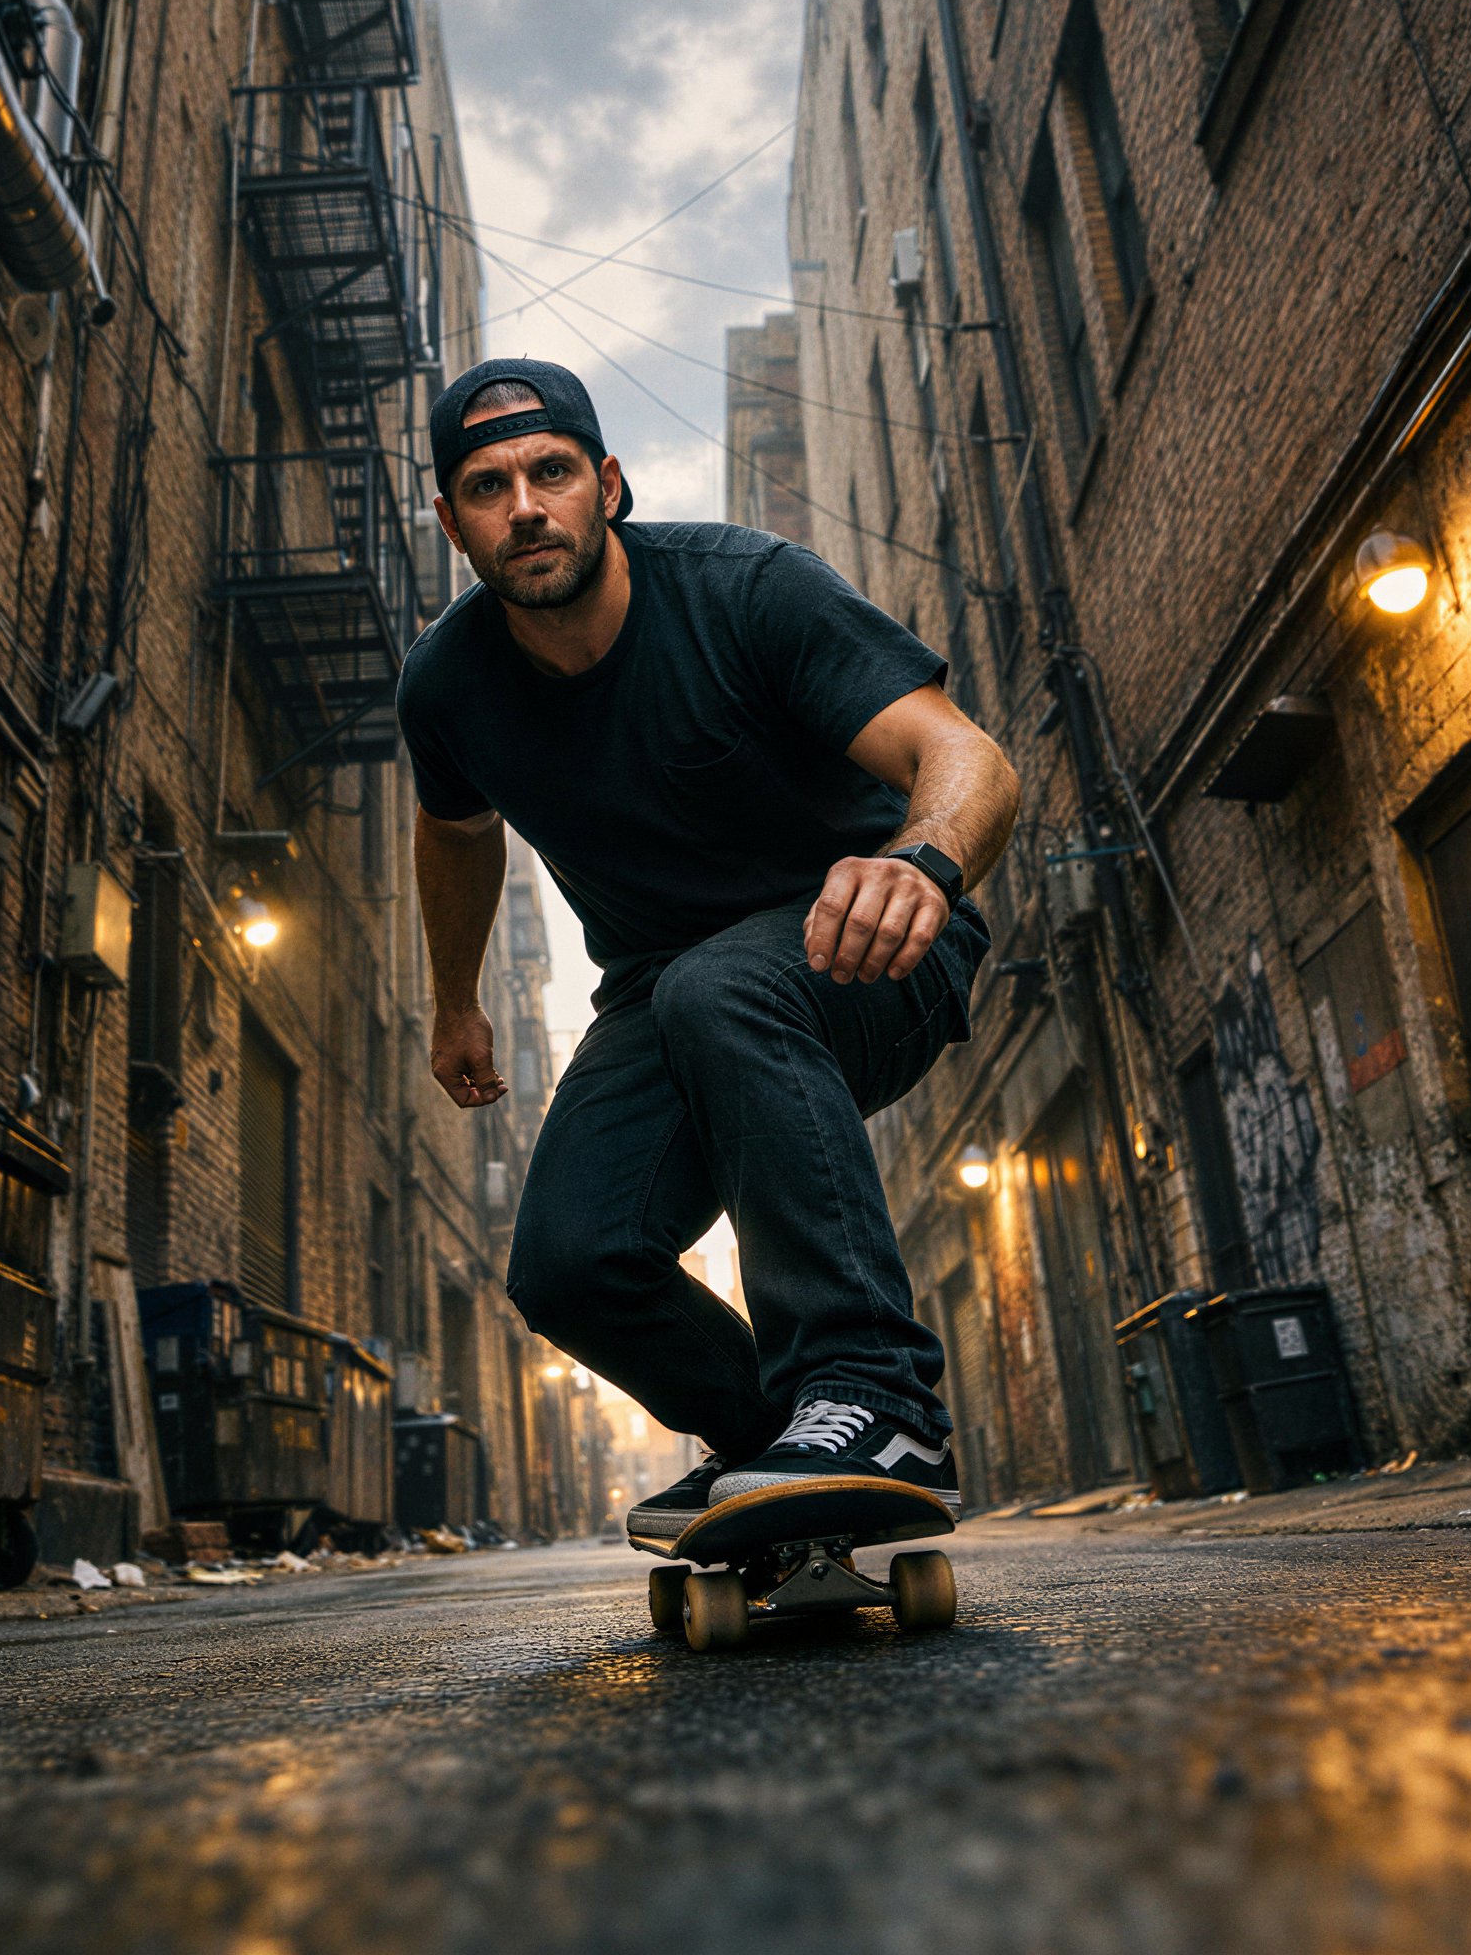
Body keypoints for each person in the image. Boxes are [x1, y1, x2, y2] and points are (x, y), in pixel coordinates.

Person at [397, 358, 1019, 1538]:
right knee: (569, 1262)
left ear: (606, 486)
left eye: (550, 472)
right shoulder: (448, 684)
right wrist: (453, 998)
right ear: (450, 521)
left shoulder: (746, 590)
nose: (524, 506)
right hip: (660, 997)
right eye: (486, 486)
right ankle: (780, 1442)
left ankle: (877, 1398)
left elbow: (964, 755)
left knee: (718, 984)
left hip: (875, 951)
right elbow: (455, 827)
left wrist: (920, 862)